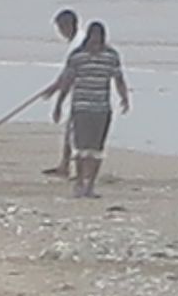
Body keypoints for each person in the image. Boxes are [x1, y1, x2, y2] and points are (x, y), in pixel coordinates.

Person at [49, 21, 129, 199]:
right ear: (88, 37)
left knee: (96, 149)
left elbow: (119, 78)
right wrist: (58, 104)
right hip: (81, 107)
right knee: (81, 148)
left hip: (101, 108)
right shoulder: (78, 56)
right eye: (93, 38)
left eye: (98, 38)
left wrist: (124, 97)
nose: (95, 42)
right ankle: (79, 183)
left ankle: (90, 185)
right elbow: (67, 81)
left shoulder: (111, 56)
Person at [43, 8, 82, 178]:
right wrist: (54, 86)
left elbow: (70, 75)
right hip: (77, 90)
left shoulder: (78, 44)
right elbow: (67, 72)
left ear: (68, 25)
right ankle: (64, 166)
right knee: (69, 130)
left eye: (60, 28)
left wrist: (58, 102)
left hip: (81, 92)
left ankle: (73, 169)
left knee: (75, 132)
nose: (60, 32)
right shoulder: (77, 42)